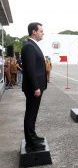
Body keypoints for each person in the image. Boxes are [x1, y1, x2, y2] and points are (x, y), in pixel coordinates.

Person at [21, 22, 47, 151]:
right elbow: (31, 69)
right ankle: (31, 141)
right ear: (34, 32)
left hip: (36, 87)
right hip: (33, 88)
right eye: (41, 31)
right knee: (30, 114)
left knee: (33, 113)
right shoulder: (29, 46)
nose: (43, 33)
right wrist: (36, 87)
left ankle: (33, 136)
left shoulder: (32, 45)